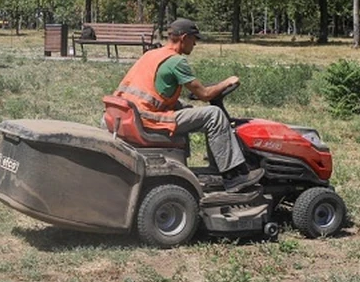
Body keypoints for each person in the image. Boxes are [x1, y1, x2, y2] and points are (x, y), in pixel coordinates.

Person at [113, 18, 264, 193]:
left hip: (132, 114)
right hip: (149, 119)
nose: (195, 44)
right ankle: (234, 176)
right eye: (194, 39)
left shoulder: (152, 54)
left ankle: (217, 167)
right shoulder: (177, 61)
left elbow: (156, 93)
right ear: (184, 38)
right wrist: (227, 82)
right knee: (214, 115)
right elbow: (205, 94)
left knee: (187, 109)